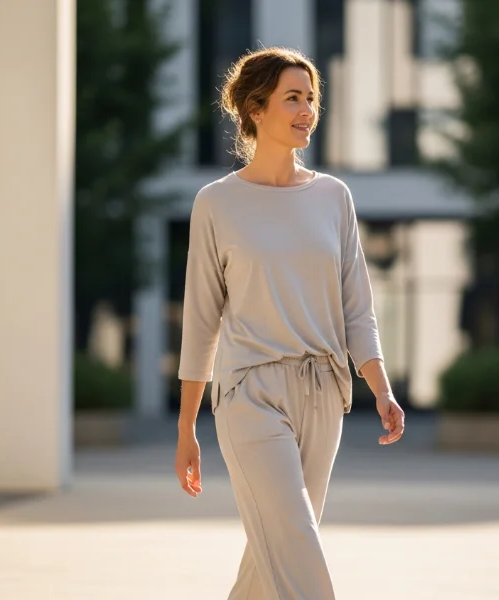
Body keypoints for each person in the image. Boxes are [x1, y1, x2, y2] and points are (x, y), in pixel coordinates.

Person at [175, 46, 406, 600]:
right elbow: (202, 319)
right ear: (256, 109)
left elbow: (356, 306)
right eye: (293, 98)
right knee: (296, 541)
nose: (307, 110)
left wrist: (381, 388)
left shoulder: (333, 197)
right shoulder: (217, 203)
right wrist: (186, 428)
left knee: (272, 554)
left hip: (324, 391)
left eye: (312, 99)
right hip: (249, 392)